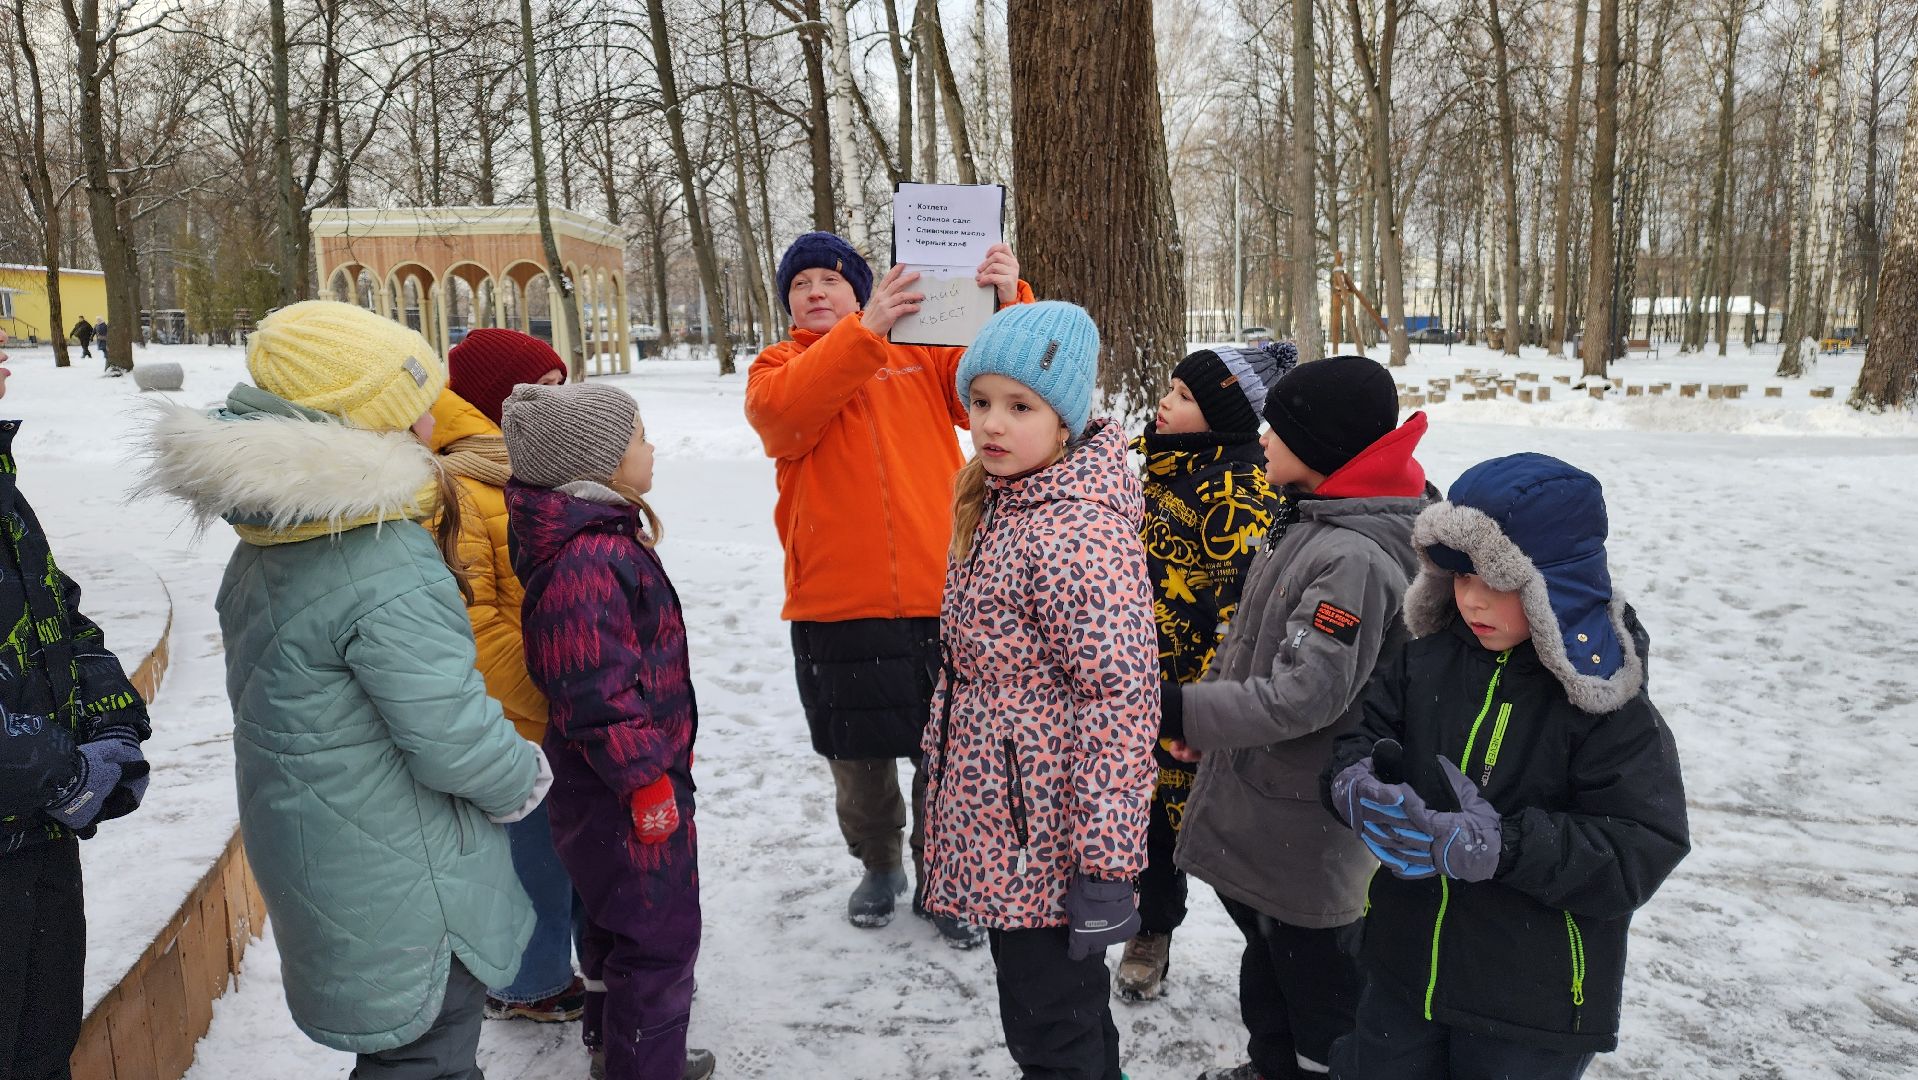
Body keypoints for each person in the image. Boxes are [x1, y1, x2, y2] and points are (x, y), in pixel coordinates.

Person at [139, 301, 548, 1079]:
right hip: (404, 870)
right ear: (364, 425)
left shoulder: (273, 537)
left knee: (398, 1051)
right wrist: (522, 776)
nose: (434, 426)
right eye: (412, 410)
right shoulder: (381, 555)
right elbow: (448, 728)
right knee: (428, 1053)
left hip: (325, 849)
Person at [1322, 453, 1690, 1080]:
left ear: (1554, 586)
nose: (1470, 601)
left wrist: (1505, 847)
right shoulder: (1426, 659)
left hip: (1530, 1007)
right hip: (1404, 967)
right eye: (1458, 578)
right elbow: (1363, 732)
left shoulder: (1602, 700)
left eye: (1496, 582)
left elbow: (1641, 845)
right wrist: (1354, 783)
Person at [743, 230, 1031, 944]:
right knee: (858, 759)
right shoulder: (777, 366)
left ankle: (945, 877)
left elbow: (998, 385)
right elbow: (785, 419)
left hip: (942, 596)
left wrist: (1007, 297)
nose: (815, 292)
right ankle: (878, 865)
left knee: (948, 757)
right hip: (836, 605)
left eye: (831, 281)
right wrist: (862, 334)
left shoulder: (921, 354)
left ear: (859, 289)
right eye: (801, 284)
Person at [1166, 356, 1432, 1080]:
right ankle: (1271, 1065)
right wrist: (1202, 727)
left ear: (1320, 449)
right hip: (1269, 805)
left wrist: (1180, 707)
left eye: (1276, 429)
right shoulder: (1314, 522)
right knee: (1268, 959)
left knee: (1318, 986)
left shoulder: (1352, 556)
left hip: (1307, 822)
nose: (1262, 440)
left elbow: (1304, 694)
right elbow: (1249, 641)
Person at [920, 302, 1158, 1080]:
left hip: (1049, 840)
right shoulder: (1001, 498)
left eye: (1020, 406)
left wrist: (1105, 863)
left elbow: (1120, 702)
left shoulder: (1072, 530)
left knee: (1051, 1028)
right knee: (1059, 1015)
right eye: (981, 402)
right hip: (1006, 823)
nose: (992, 423)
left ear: (1065, 420)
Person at [501, 383, 714, 1080]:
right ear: (596, 461)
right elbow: (594, 692)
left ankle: (615, 1048)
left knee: (616, 925)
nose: (650, 448)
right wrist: (646, 780)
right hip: (621, 791)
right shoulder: (590, 558)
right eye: (639, 437)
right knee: (658, 937)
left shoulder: (599, 541)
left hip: (611, 785)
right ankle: (646, 1066)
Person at [1116, 344, 1294, 1004]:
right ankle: (1152, 930)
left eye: (1185, 397)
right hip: (1147, 692)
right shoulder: (1161, 469)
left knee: (1218, 833)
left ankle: (1279, 953)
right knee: (1151, 830)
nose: (1165, 401)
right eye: (1168, 388)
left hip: (1206, 704)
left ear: (1222, 418)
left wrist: (1209, 704)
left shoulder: (1241, 495)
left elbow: (1245, 615)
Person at [0, 328, 152, 1079]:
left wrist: (113, 717)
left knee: (42, 1054)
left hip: (36, 841)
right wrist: (61, 772)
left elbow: (54, 609)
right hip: (30, 810)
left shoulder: (2, 481)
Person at [428, 329, 583, 1024]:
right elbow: (476, 621)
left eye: (562, 387)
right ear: (497, 402)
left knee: (567, 851)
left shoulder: (536, 465)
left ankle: (550, 967)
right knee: (533, 864)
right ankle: (525, 983)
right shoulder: (462, 484)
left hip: (566, 699)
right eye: (543, 392)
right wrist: (551, 693)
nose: (561, 404)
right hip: (523, 716)